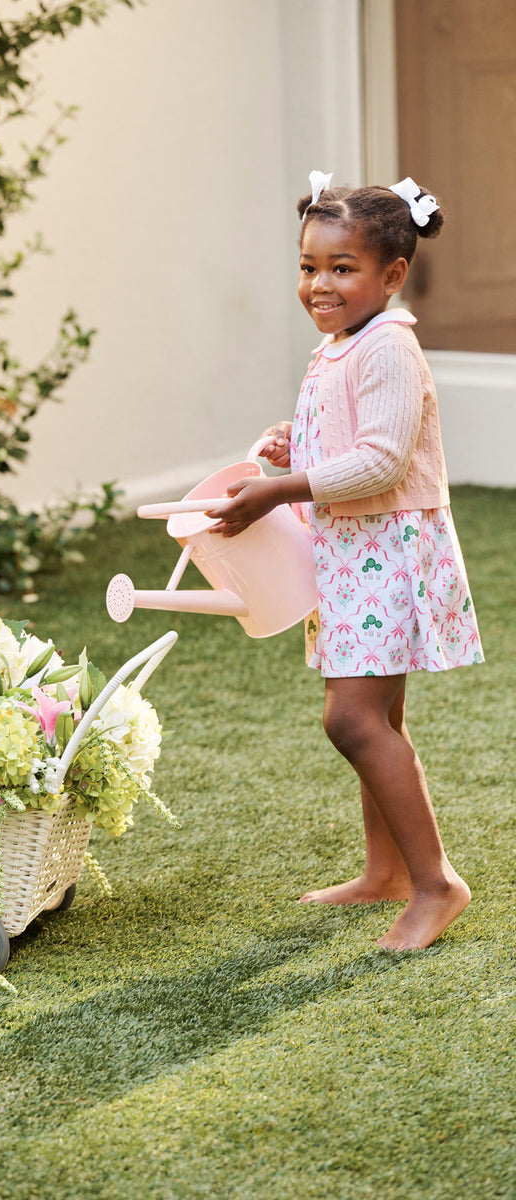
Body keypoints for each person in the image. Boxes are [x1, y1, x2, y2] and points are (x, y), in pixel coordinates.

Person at [207, 171, 483, 951]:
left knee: (352, 718)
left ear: (391, 276)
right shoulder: (342, 345)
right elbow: (349, 442)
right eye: (308, 267)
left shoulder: (389, 345)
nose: (319, 284)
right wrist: (295, 447)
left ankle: (437, 883)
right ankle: (387, 872)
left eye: (341, 268)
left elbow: (382, 463)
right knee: (378, 715)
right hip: (352, 550)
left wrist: (281, 489)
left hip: (385, 549)